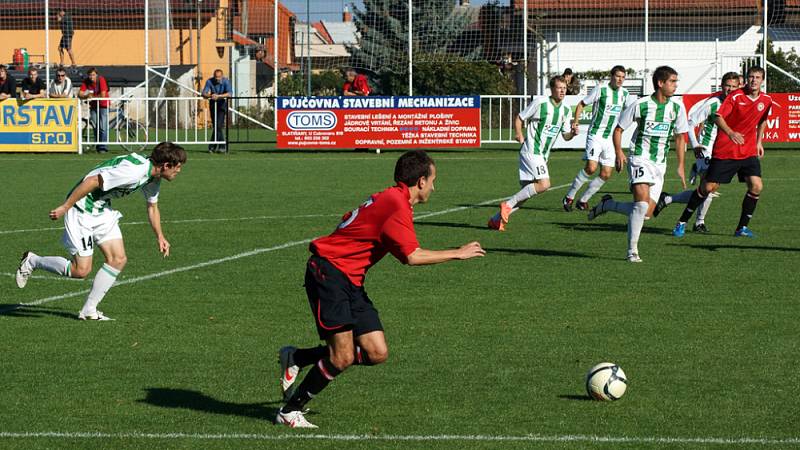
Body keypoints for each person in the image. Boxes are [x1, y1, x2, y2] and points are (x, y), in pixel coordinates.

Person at [276, 150, 485, 429]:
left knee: (376, 352)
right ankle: (290, 410)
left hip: (350, 278)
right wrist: (457, 253)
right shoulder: (396, 205)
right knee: (343, 356)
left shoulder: (391, 198)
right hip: (329, 274)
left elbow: (349, 220)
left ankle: (298, 357)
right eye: (433, 180)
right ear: (421, 181)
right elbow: (412, 256)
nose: (435, 186)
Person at [15, 142, 187, 321]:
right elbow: (93, 181)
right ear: (166, 165)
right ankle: (32, 261)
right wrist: (66, 206)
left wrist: (160, 236)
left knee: (118, 259)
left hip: (101, 209)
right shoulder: (134, 172)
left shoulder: (153, 177)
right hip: (81, 209)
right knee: (81, 271)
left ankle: (89, 310)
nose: (179, 171)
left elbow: (152, 207)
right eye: (178, 167)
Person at [587, 66, 689, 262]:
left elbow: (680, 137)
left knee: (646, 212)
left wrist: (681, 165)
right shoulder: (640, 105)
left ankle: (607, 205)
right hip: (639, 158)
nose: (676, 85)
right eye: (672, 81)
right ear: (660, 83)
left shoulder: (677, 108)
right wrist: (619, 152)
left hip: (660, 164)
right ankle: (632, 251)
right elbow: (618, 130)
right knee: (641, 205)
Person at [670, 66, 772, 238]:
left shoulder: (766, 100)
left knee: (756, 186)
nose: (754, 80)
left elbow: (763, 119)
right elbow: (718, 116)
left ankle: (741, 228)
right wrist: (731, 132)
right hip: (725, 150)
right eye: (751, 77)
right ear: (746, 79)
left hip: (747, 152)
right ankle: (682, 222)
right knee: (708, 187)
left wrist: (759, 141)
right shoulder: (735, 97)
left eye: (757, 77)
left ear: (762, 80)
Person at [650, 71, 741, 233]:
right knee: (708, 187)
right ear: (721, 86)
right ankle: (699, 222)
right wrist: (696, 145)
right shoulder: (714, 103)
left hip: (722, 150)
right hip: (706, 149)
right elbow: (690, 123)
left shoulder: (737, 102)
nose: (730, 89)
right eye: (728, 86)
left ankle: (668, 199)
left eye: (734, 87)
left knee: (710, 188)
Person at [487, 76, 576, 231]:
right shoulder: (540, 103)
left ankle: (495, 220)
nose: (562, 91)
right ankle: (506, 205)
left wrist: (573, 134)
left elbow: (565, 136)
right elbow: (520, 118)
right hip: (531, 151)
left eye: (564, 88)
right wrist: (518, 134)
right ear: (552, 89)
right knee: (545, 184)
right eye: (559, 88)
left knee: (526, 194)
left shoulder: (566, 110)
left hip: (542, 156)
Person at [563, 65, 631, 211]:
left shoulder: (624, 94)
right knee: (591, 167)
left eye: (623, 77)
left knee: (606, 173)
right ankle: (569, 197)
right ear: (611, 76)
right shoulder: (601, 89)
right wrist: (576, 121)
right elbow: (581, 104)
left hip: (610, 139)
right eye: (618, 76)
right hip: (595, 134)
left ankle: (583, 200)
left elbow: (627, 114)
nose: (620, 79)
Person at [79, 68, 110, 153]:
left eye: (93, 75)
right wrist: (87, 96)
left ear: (96, 75)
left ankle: (103, 147)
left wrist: (91, 97)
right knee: (96, 127)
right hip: (93, 106)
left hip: (103, 105)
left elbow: (103, 95)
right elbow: (80, 93)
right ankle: (98, 146)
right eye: (90, 75)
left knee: (103, 127)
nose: (91, 77)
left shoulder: (101, 79)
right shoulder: (86, 81)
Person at [202, 69, 232, 153]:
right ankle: (216, 147)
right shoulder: (209, 81)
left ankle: (215, 146)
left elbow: (229, 93)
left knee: (218, 126)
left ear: (222, 76)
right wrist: (211, 95)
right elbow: (204, 93)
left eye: (218, 77)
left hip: (222, 104)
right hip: (212, 104)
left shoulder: (226, 81)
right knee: (216, 126)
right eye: (215, 77)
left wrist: (218, 96)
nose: (217, 79)